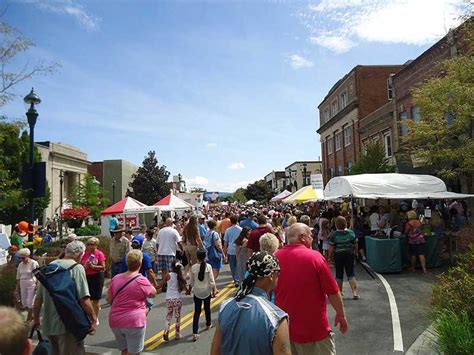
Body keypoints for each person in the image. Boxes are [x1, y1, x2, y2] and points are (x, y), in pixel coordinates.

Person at [275, 223, 348, 354]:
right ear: (302, 237)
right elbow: (332, 292)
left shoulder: (275, 257)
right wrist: (341, 314)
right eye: (311, 235)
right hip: (314, 331)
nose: (312, 238)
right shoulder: (315, 257)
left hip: (284, 331)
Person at [211, 252, 290, 355]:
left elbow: (215, 351)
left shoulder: (225, 306)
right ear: (271, 275)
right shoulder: (276, 318)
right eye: (278, 274)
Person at [32, 241, 97, 355]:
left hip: (49, 324)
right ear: (80, 254)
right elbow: (84, 299)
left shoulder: (50, 267)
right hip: (69, 324)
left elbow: (38, 299)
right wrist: (93, 319)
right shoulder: (76, 268)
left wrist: (36, 319)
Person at [107, 250, 157, 355]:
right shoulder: (141, 280)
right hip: (134, 321)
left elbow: (108, 299)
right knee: (134, 352)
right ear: (140, 263)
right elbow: (153, 293)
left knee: (124, 351)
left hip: (115, 320)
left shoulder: (116, 278)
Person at [189, 249, 218, 342]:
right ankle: (208, 323)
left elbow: (191, 282)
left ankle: (195, 332)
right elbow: (212, 281)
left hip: (197, 292)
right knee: (207, 308)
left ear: (197, 257)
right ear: (205, 257)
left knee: (197, 312)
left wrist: (190, 289)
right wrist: (214, 290)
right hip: (206, 291)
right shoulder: (208, 267)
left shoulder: (193, 267)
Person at [328, 216, 359, 299]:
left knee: (339, 273)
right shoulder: (351, 233)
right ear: (346, 223)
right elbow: (355, 244)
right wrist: (356, 252)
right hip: (349, 254)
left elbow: (331, 247)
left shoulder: (334, 234)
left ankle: (340, 292)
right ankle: (354, 292)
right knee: (351, 273)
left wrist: (329, 257)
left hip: (338, 255)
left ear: (336, 225)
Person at [81, 237, 106, 324]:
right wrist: (85, 266)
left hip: (97, 277)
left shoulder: (99, 254)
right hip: (86, 276)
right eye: (88, 244)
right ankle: (89, 315)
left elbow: (103, 267)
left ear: (96, 245)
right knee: (87, 298)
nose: (90, 246)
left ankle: (95, 317)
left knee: (95, 299)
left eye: (92, 244)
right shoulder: (84, 254)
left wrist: (94, 267)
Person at [163, 260, 187, 341]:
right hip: (177, 298)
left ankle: (166, 331)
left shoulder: (168, 275)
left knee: (169, 316)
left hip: (169, 298)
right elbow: (185, 288)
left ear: (172, 267)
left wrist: (155, 287)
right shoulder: (179, 276)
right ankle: (177, 333)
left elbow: (161, 284)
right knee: (177, 317)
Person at [156, 218, 184, 288]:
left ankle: (164, 284)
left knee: (163, 269)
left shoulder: (161, 231)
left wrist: (158, 251)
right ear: (172, 223)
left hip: (161, 252)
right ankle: (169, 283)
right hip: (170, 252)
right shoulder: (174, 231)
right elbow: (179, 242)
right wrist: (182, 250)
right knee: (171, 269)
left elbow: (157, 243)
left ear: (165, 223)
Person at [16, 248, 39, 322]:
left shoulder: (33, 263)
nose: (21, 259)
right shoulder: (20, 264)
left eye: (23, 258)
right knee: (24, 302)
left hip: (31, 283)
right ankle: (31, 314)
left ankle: (28, 319)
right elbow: (18, 277)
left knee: (30, 302)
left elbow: (39, 275)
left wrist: (37, 284)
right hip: (22, 283)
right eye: (20, 258)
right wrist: (17, 288)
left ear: (28, 256)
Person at [223, 215, 242, 284]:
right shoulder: (240, 229)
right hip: (238, 249)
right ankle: (237, 279)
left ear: (230, 222)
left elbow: (225, 243)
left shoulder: (228, 230)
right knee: (238, 265)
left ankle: (235, 279)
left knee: (232, 266)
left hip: (230, 250)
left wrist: (224, 254)